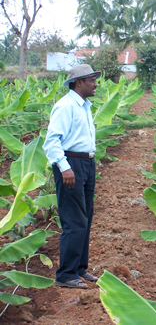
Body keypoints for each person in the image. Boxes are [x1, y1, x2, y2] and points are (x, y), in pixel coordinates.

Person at [43, 64, 101, 289]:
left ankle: (79, 268)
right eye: (91, 80)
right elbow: (52, 141)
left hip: (86, 162)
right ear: (79, 82)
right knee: (74, 220)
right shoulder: (65, 106)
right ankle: (65, 274)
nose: (95, 84)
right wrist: (65, 167)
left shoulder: (84, 105)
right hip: (71, 164)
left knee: (86, 216)